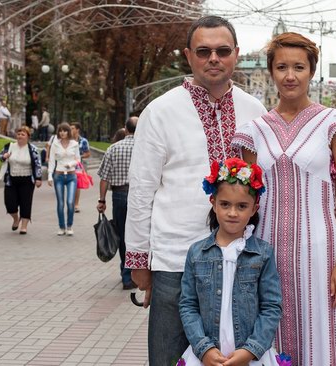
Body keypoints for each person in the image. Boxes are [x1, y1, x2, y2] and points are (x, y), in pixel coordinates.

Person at [124, 15, 267, 365]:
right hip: (176, 260)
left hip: (241, 261)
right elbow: (141, 190)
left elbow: (268, 184)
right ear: (188, 56)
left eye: (222, 50)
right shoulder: (160, 111)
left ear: (236, 54)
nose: (213, 58)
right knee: (169, 356)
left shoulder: (255, 112)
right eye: (203, 51)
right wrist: (138, 260)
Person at [232, 32, 336, 366]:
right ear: (271, 72)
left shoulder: (335, 124)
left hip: (320, 251)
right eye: (281, 67)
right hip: (265, 249)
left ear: (311, 71)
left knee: (324, 335)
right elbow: (249, 201)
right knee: (268, 331)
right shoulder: (254, 131)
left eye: (299, 67)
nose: (290, 75)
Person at [179, 158, 282, 366]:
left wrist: (250, 350)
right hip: (207, 356)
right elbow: (188, 305)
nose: (232, 213)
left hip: (251, 356)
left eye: (242, 206)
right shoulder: (196, 253)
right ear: (213, 203)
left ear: (254, 209)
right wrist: (204, 348)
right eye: (225, 204)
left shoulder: (263, 254)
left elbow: (271, 307)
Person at [97, 117, 138, 290]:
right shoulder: (146, 148)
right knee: (139, 233)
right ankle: (139, 272)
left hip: (119, 195)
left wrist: (102, 200)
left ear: (126, 129)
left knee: (122, 234)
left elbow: (104, 178)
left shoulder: (113, 148)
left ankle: (126, 275)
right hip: (140, 196)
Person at [0, 126, 43, 234]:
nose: (20, 136)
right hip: (11, 180)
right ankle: (15, 218)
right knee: (10, 204)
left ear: (28, 136)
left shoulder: (32, 149)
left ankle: (24, 226)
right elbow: (0, 157)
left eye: (23, 134)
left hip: (27, 180)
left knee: (26, 203)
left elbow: (38, 164)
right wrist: (4, 156)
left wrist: (38, 178)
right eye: (18, 134)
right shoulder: (9, 146)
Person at [48, 122, 80, 236]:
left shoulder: (74, 144)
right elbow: (51, 161)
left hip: (71, 175)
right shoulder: (55, 144)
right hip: (59, 175)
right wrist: (49, 176)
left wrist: (71, 164)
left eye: (65, 130)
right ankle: (62, 227)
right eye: (60, 131)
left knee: (70, 201)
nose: (62, 133)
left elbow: (78, 160)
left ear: (68, 132)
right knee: (60, 203)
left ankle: (69, 225)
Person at [71, 122, 91, 213]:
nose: (71, 130)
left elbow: (88, 154)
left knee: (77, 185)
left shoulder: (83, 141)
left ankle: (76, 204)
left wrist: (79, 156)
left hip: (78, 166)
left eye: (72, 128)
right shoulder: (67, 140)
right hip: (67, 165)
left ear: (77, 130)